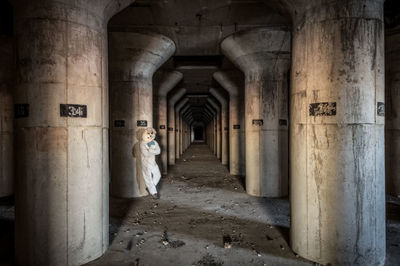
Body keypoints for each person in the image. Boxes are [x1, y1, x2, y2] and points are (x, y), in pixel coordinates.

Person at [140, 127, 161, 199]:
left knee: (158, 175)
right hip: (145, 162)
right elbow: (146, 154)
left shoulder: (155, 142)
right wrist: (153, 150)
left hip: (153, 162)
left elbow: (158, 151)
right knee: (148, 177)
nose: (150, 135)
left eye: (151, 133)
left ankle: (150, 187)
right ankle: (153, 193)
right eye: (148, 134)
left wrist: (150, 150)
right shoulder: (142, 143)